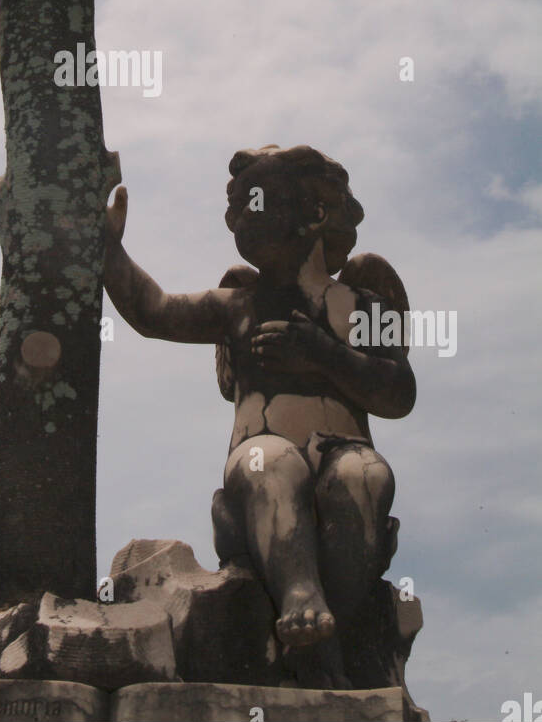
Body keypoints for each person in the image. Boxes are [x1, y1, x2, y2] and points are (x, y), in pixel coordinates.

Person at [104, 144, 415, 683]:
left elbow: (399, 393)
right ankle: (298, 594)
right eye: (233, 206)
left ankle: (322, 632)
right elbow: (153, 311)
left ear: (315, 213)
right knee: (271, 462)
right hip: (257, 467)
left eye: (252, 201)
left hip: (345, 455)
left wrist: (323, 352)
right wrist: (107, 250)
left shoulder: (365, 305)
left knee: (363, 474)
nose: (235, 217)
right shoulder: (238, 305)